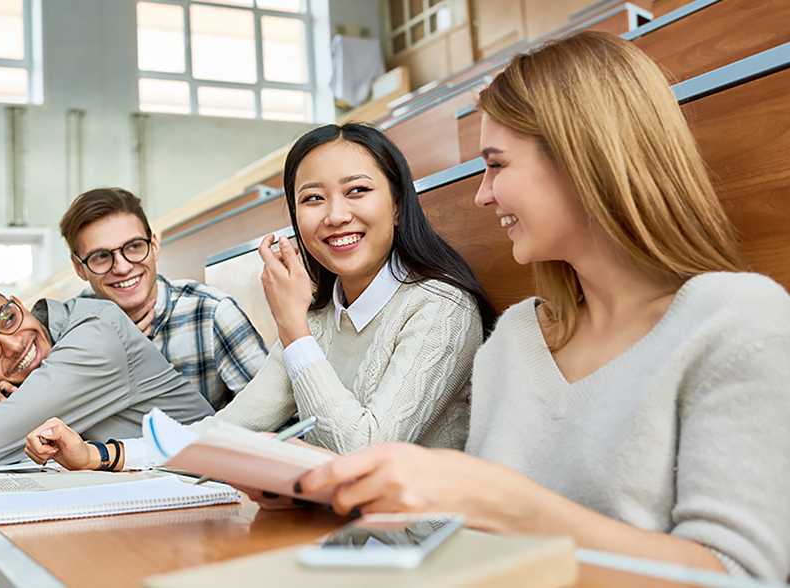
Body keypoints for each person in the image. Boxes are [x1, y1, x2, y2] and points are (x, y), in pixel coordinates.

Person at [291, 32, 790, 580]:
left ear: (584, 159)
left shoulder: (738, 322)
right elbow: (477, 543)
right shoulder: (514, 338)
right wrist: (317, 492)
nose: (482, 195)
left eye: (497, 165)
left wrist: (511, 505)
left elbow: (739, 574)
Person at [24, 123, 497, 469]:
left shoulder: (440, 309)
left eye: (357, 191)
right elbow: (225, 430)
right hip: (329, 539)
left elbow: (364, 455)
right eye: (312, 199)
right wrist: (95, 455)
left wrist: (292, 329)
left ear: (396, 203)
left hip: (417, 555)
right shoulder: (317, 318)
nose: (334, 215)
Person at [0, 282, 213, 466]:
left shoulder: (95, 333)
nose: (13, 344)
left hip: (214, 486)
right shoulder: (1, 381)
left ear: (19, 304)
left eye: (8, 318)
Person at [59, 187, 268, 411]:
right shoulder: (72, 326)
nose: (122, 267)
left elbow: (280, 420)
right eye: (101, 257)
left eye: (133, 246)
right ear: (80, 268)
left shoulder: (211, 314)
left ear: (154, 245)